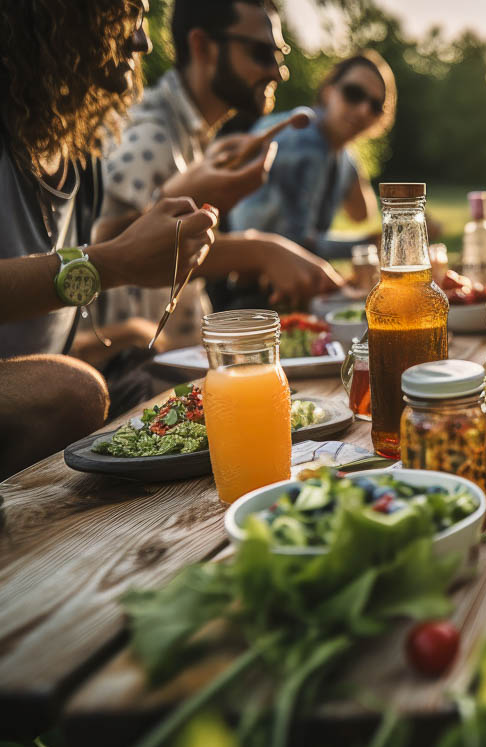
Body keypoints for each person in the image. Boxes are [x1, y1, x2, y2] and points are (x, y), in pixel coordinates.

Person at [0, 0, 219, 478]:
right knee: (69, 391)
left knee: (195, 383)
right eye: (125, 16)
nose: (142, 40)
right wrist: (108, 265)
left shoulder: (80, 152)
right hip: (48, 388)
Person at [92, 0, 343, 353]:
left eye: (279, 54)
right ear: (203, 46)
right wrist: (261, 251)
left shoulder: (191, 134)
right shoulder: (152, 136)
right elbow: (109, 253)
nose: (277, 72)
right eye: (261, 53)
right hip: (146, 380)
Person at [228, 51, 395, 262]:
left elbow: (362, 213)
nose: (363, 110)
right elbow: (294, 244)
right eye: (353, 93)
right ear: (328, 91)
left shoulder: (337, 149)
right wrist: (376, 244)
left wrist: (348, 150)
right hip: (245, 280)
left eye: (375, 106)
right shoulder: (303, 139)